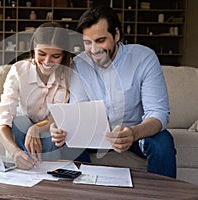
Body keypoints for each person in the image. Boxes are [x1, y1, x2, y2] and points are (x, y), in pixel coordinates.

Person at [50, 5, 177, 178]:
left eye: (101, 40)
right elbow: (78, 110)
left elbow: (158, 113)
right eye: (87, 42)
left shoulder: (143, 58)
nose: (94, 50)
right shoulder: (79, 64)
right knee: (64, 143)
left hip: (134, 134)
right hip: (94, 136)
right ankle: (82, 192)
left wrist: (134, 133)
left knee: (163, 143)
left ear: (116, 35)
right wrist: (62, 128)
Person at [0, 22, 79, 170]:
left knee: (54, 132)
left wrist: (36, 128)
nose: (47, 62)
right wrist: (15, 152)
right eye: (41, 54)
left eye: (55, 56)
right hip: (20, 129)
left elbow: (60, 114)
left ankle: (45, 176)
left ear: (64, 55)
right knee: (21, 123)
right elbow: (3, 117)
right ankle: (24, 164)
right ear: (33, 50)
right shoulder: (18, 71)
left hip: (48, 130)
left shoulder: (69, 75)